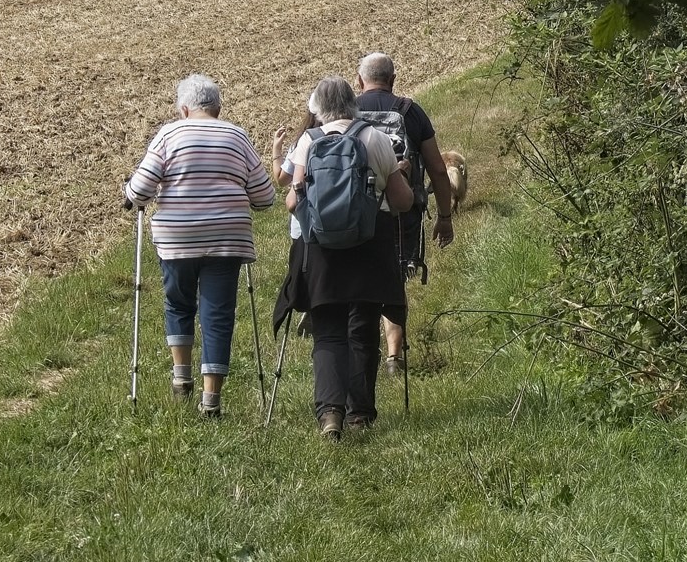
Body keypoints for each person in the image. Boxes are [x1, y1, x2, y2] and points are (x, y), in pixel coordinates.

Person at [122, 74, 276, 418]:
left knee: (178, 303)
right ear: (218, 108)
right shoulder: (237, 135)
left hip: (179, 237)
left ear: (183, 109)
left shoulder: (169, 134)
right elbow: (265, 197)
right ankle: (211, 401)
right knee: (218, 314)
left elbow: (142, 188)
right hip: (227, 236)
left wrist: (129, 193)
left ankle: (181, 380)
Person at [279, 75, 415, 438]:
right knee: (362, 329)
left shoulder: (308, 141)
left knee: (328, 333)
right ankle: (360, 413)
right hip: (369, 247)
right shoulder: (375, 138)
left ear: (318, 108)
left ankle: (329, 414)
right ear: (352, 103)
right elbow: (402, 202)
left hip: (321, 251)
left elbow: (293, 202)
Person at [351, 50, 456, 369]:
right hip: (402, 209)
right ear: (393, 80)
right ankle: (394, 354)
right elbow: (438, 169)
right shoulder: (411, 112)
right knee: (395, 275)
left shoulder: (346, 111)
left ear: (359, 81)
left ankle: (359, 348)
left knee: (358, 276)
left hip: (356, 210)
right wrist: (445, 216)